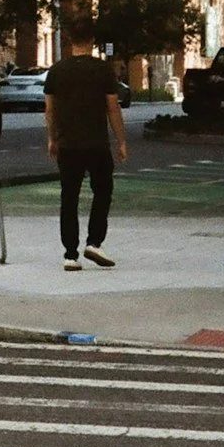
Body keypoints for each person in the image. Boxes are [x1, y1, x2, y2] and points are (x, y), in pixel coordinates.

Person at [44, 29, 128, 269]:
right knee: (103, 191)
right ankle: (94, 242)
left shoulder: (56, 71)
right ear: (92, 41)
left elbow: (49, 110)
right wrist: (121, 140)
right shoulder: (102, 70)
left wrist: (52, 139)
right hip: (97, 143)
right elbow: (112, 108)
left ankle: (70, 254)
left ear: (70, 41)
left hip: (67, 143)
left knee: (69, 196)